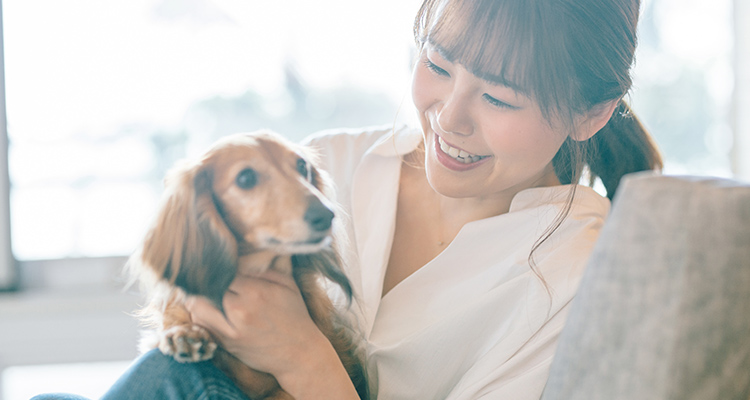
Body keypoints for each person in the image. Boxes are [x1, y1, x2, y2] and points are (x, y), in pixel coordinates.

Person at [33, 0, 662, 398]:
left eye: (498, 98)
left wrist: (303, 359)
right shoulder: (324, 166)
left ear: (591, 113)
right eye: (437, 63)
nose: (449, 117)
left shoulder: (584, 280)